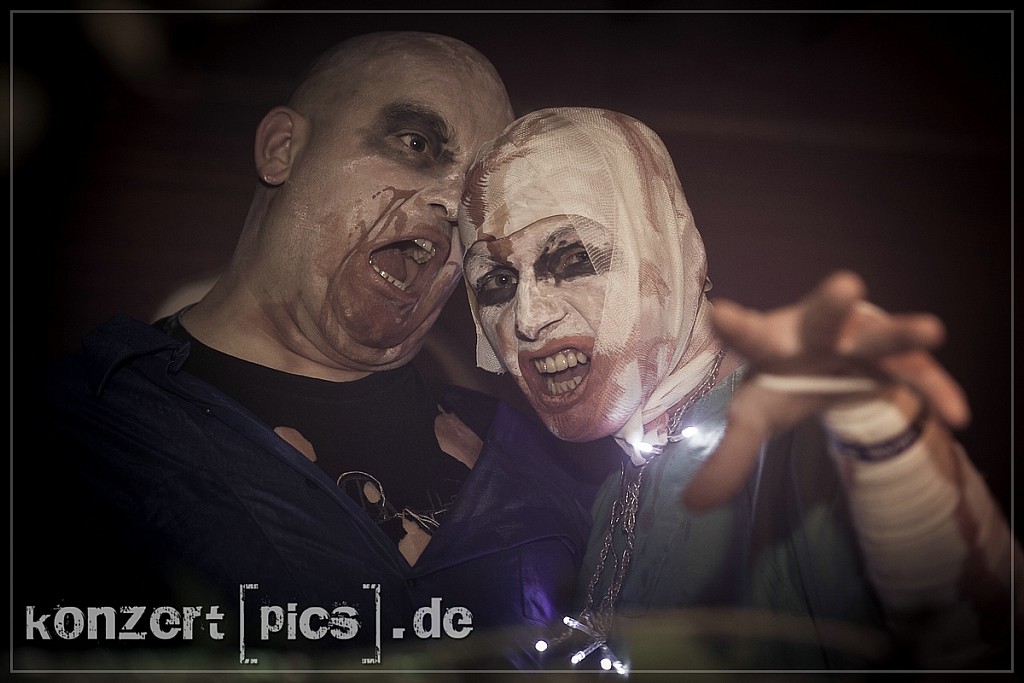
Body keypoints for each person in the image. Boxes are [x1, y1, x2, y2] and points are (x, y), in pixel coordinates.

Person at [14, 34, 595, 670]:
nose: (455, 202)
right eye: (416, 144)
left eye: (481, 189)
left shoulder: (541, 453)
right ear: (282, 149)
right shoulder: (76, 433)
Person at [458, 107, 1020, 672]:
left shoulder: (793, 433)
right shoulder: (614, 492)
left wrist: (884, 441)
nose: (528, 318)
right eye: (497, 282)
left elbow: (973, 635)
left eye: (574, 258)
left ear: (663, 246)